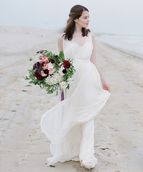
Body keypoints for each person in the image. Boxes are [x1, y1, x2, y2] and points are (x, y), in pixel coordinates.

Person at [40, 4, 111, 170]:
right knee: (72, 113)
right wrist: (56, 78)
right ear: (76, 18)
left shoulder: (90, 36)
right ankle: (71, 148)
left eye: (89, 17)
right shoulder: (63, 38)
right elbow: (61, 63)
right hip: (72, 81)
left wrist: (103, 81)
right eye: (85, 17)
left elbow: (94, 61)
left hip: (89, 79)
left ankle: (86, 154)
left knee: (88, 115)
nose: (88, 20)